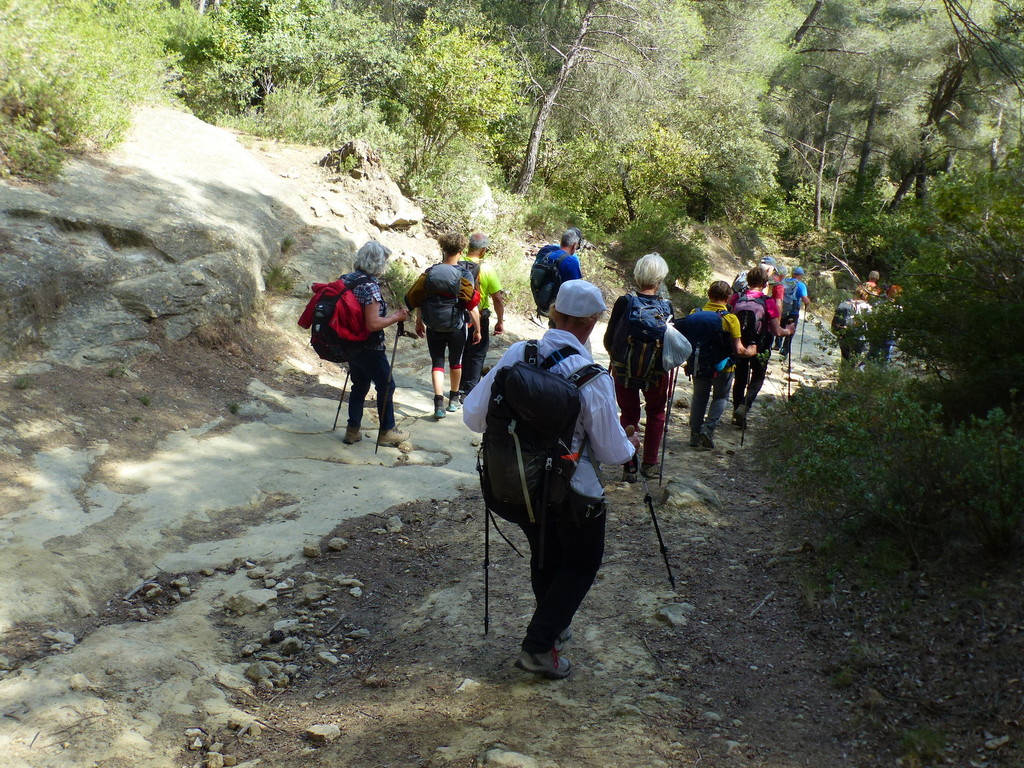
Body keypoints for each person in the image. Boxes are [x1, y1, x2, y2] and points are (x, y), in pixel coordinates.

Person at [464, 281, 638, 680]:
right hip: (573, 493)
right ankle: (538, 647)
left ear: (554, 312)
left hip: (518, 485)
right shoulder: (592, 377)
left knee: (546, 556)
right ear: (591, 322)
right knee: (581, 562)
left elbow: (473, 417)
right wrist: (630, 442)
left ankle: (553, 630)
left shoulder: (517, 354)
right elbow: (612, 453)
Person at [603, 253, 672, 480]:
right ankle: (650, 464)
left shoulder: (625, 302)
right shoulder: (667, 307)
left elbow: (609, 338)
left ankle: (629, 465)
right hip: (656, 374)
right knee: (656, 414)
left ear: (637, 275)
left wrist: (617, 357)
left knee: (629, 414)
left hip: (624, 370)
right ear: (660, 279)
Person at [340, 241, 410, 447]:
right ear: (378, 263)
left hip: (349, 343)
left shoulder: (346, 280)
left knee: (359, 385)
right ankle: (387, 431)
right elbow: (373, 324)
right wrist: (396, 317)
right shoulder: (369, 286)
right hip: (369, 346)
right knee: (387, 385)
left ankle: (352, 430)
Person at [405, 232, 481, 419]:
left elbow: (421, 299)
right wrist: (478, 330)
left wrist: (419, 322)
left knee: (437, 363)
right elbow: (472, 306)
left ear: (443, 249)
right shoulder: (465, 274)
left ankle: (438, 403)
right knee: (456, 362)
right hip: (456, 326)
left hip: (433, 326)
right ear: (461, 251)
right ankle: (454, 400)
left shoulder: (430, 272)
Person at [682, 281, 757, 450]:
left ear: (709, 295)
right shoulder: (730, 319)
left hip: (699, 364)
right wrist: (751, 350)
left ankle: (694, 435)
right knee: (720, 398)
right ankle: (708, 429)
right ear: (728, 298)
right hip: (724, 367)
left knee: (699, 398)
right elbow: (738, 350)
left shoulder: (695, 313)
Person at [728, 266, 795, 427]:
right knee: (757, 377)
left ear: (748, 281)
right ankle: (745, 405)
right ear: (765, 284)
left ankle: (738, 412)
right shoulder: (767, 302)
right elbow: (777, 331)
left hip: (739, 343)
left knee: (740, 378)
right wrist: (789, 330)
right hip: (761, 345)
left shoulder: (736, 298)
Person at [459, 232, 505, 399]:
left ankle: (457, 388)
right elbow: (498, 299)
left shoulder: (457, 263)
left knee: (461, 351)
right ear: (483, 250)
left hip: (457, 317)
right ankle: (470, 391)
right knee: (477, 353)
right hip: (479, 316)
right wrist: (500, 321)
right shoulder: (487, 269)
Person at [776, 266, 811, 358]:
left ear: (792, 273)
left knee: (781, 325)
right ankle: (785, 350)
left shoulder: (785, 282)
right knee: (791, 329)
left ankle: (777, 344)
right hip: (793, 311)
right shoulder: (801, 285)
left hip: (783, 308)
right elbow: (805, 299)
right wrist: (808, 304)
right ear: (801, 275)